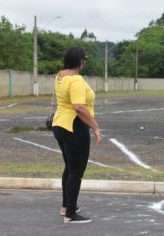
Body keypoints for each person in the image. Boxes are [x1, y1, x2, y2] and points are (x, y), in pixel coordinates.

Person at [52, 47, 102, 223]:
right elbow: (79, 107)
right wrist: (95, 126)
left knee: (69, 168)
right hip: (74, 126)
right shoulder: (76, 80)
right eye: (84, 60)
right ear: (80, 62)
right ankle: (70, 215)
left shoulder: (60, 77)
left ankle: (66, 206)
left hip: (59, 125)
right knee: (76, 171)